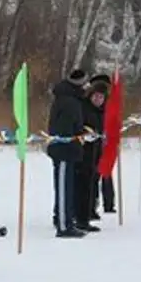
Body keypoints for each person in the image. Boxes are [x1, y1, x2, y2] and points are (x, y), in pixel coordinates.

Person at [47, 69, 87, 238]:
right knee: (64, 188)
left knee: (67, 188)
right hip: (64, 150)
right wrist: (73, 140)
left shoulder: (71, 100)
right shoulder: (68, 101)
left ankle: (64, 219)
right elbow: (64, 128)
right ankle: (64, 226)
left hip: (68, 149)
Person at [74, 80, 108, 232]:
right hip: (83, 153)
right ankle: (81, 218)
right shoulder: (84, 108)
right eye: (96, 96)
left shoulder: (102, 111)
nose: (98, 100)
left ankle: (89, 212)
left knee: (92, 183)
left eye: (101, 97)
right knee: (83, 184)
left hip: (96, 151)